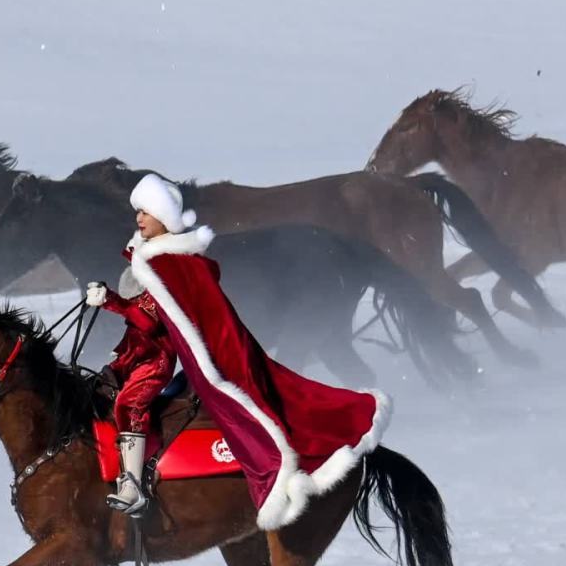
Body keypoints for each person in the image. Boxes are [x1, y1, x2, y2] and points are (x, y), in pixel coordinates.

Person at [87, 174, 390, 528]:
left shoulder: (169, 262)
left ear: (164, 218)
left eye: (146, 211)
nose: (139, 218)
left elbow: (151, 319)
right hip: (145, 352)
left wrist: (111, 302)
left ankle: (132, 486)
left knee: (130, 404)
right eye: (137, 211)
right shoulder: (153, 256)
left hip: (163, 357)